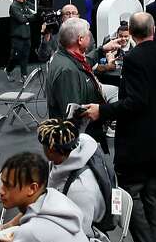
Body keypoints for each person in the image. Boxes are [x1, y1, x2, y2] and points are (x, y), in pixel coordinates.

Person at [85, 12, 156, 242]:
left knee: (132, 197)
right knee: (152, 198)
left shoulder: (135, 58)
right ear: (153, 29)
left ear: (132, 34)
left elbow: (136, 103)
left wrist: (102, 111)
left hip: (138, 142)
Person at [34, 118, 109, 242]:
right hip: (62, 221)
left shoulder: (80, 188)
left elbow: (78, 235)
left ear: (50, 150)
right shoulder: (61, 158)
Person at [44, 17, 109, 148]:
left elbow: (82, 64)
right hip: (77, 143)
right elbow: (72, 115)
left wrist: (101, 50)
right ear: (80, 40)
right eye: (88, 35)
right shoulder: (67, 71)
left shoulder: (64, 57)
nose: (90, 38)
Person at [5, 0, 35, 82]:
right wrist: (27, 17)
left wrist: (26, 16)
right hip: (17, 36)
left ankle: (24, 75)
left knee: (25, 56)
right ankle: (8, 69)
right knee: (16, 56)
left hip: (26, 35)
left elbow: (33, 16)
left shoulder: (25, 5)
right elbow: (20, 19)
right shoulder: (14, 6)